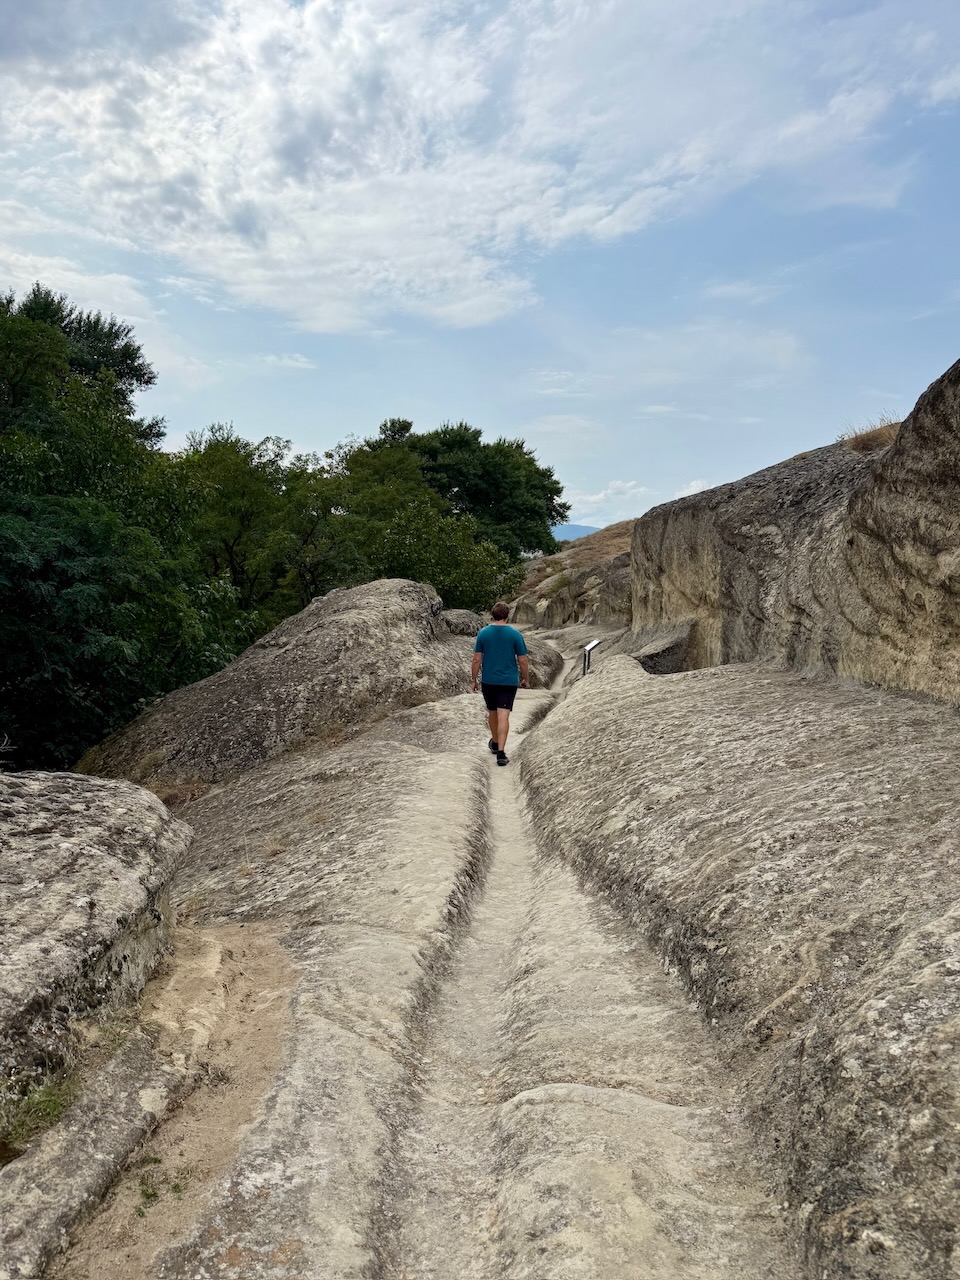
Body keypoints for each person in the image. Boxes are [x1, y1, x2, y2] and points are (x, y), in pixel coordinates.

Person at [471, 601, 529, 766]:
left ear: (492, 615)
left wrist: (473, 679)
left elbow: (476, 659)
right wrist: (525, 678)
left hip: (489, 680)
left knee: (492, 712)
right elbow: (523, 660)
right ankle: (501, 753)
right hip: (508, 681)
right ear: (507, 615)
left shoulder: (483, 633)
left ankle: (495, 742)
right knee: (504, 715)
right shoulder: (515, 635)